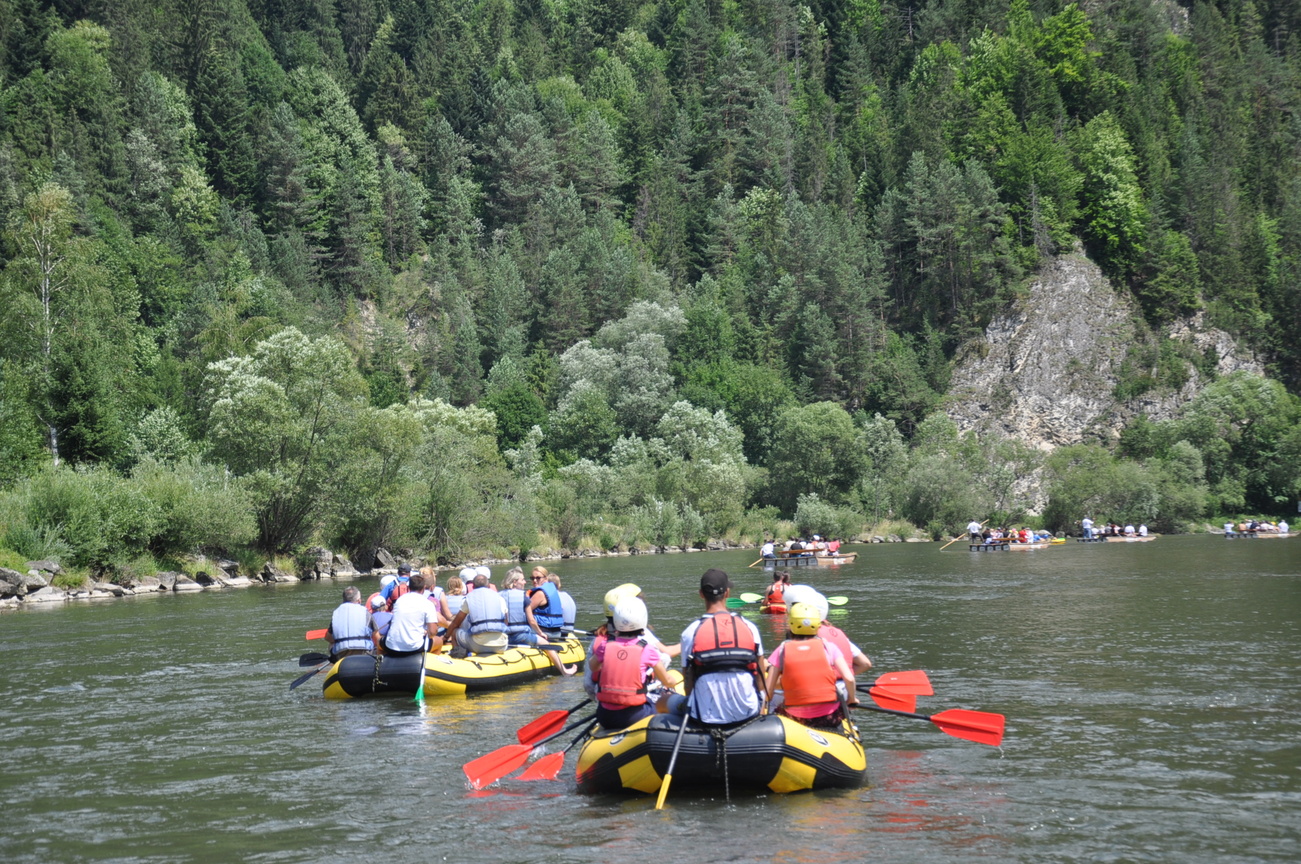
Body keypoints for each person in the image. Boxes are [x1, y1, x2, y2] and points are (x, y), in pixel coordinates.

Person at [662, 569, 766, 725]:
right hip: (747, 713)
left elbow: (688, 687)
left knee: (662, 700)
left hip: (703, 715)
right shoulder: (750, 627)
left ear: (701, 594)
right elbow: (761, 680)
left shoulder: (690, 632)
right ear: (727, 593)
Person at [764, 603, 859, 728]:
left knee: (775, 709)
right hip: (829, 717)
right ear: (818, 624)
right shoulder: (829, 647)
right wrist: (852, 699)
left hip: (795, 717)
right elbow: (849, 678)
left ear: (790, 624)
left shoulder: (782, 650)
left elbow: (768, 690)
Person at [589, 597, 675, 730]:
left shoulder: (605, 645)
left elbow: (593, 667)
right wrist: (675, 682)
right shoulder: (647, 649)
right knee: (666, 705)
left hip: (605, 716)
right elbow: (667, 681)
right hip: (633, 715)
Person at [783, 584, 873, 675]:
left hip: (819, 682)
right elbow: (865, 664)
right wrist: (841, 677)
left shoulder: (803, 634)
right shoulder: (837, 633)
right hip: (843, 682)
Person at [527, 566, 577, 675]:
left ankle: (563, 670)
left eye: (538, 578)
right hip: (555, 632)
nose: (534, 580)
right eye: (532, 578)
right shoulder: (552, 590)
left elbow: (525, 611)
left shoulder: (540, 593)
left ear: (545, 578)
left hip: (545, 633)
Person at [444, 573, 509, 656]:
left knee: (455, 631)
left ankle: (457, 654)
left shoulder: (469, 598)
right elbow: (506, 622)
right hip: (501, 645)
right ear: (489, 585)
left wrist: (446, 637)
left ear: (473, 587)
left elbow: (455, 623)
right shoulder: (499, 597)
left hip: (478, 645)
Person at [384, 573, 444, 656]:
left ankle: (381, 662)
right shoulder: (428, 603)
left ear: (408, 588)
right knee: (439, 641)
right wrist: (426, 633)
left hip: (392, 646)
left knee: (380, 643)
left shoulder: (400, 600)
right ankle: (430, 662)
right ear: (424, 588)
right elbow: (433, 632)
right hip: (414, 647)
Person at [326, 586, 375, 661]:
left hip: (341, 653)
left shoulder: (337, 613)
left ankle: (336, 663)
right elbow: (376, 637)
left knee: (331, 644)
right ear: (359, 601)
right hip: (364, 652)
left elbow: (327, 637)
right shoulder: (366, 612)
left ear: (343, 600)